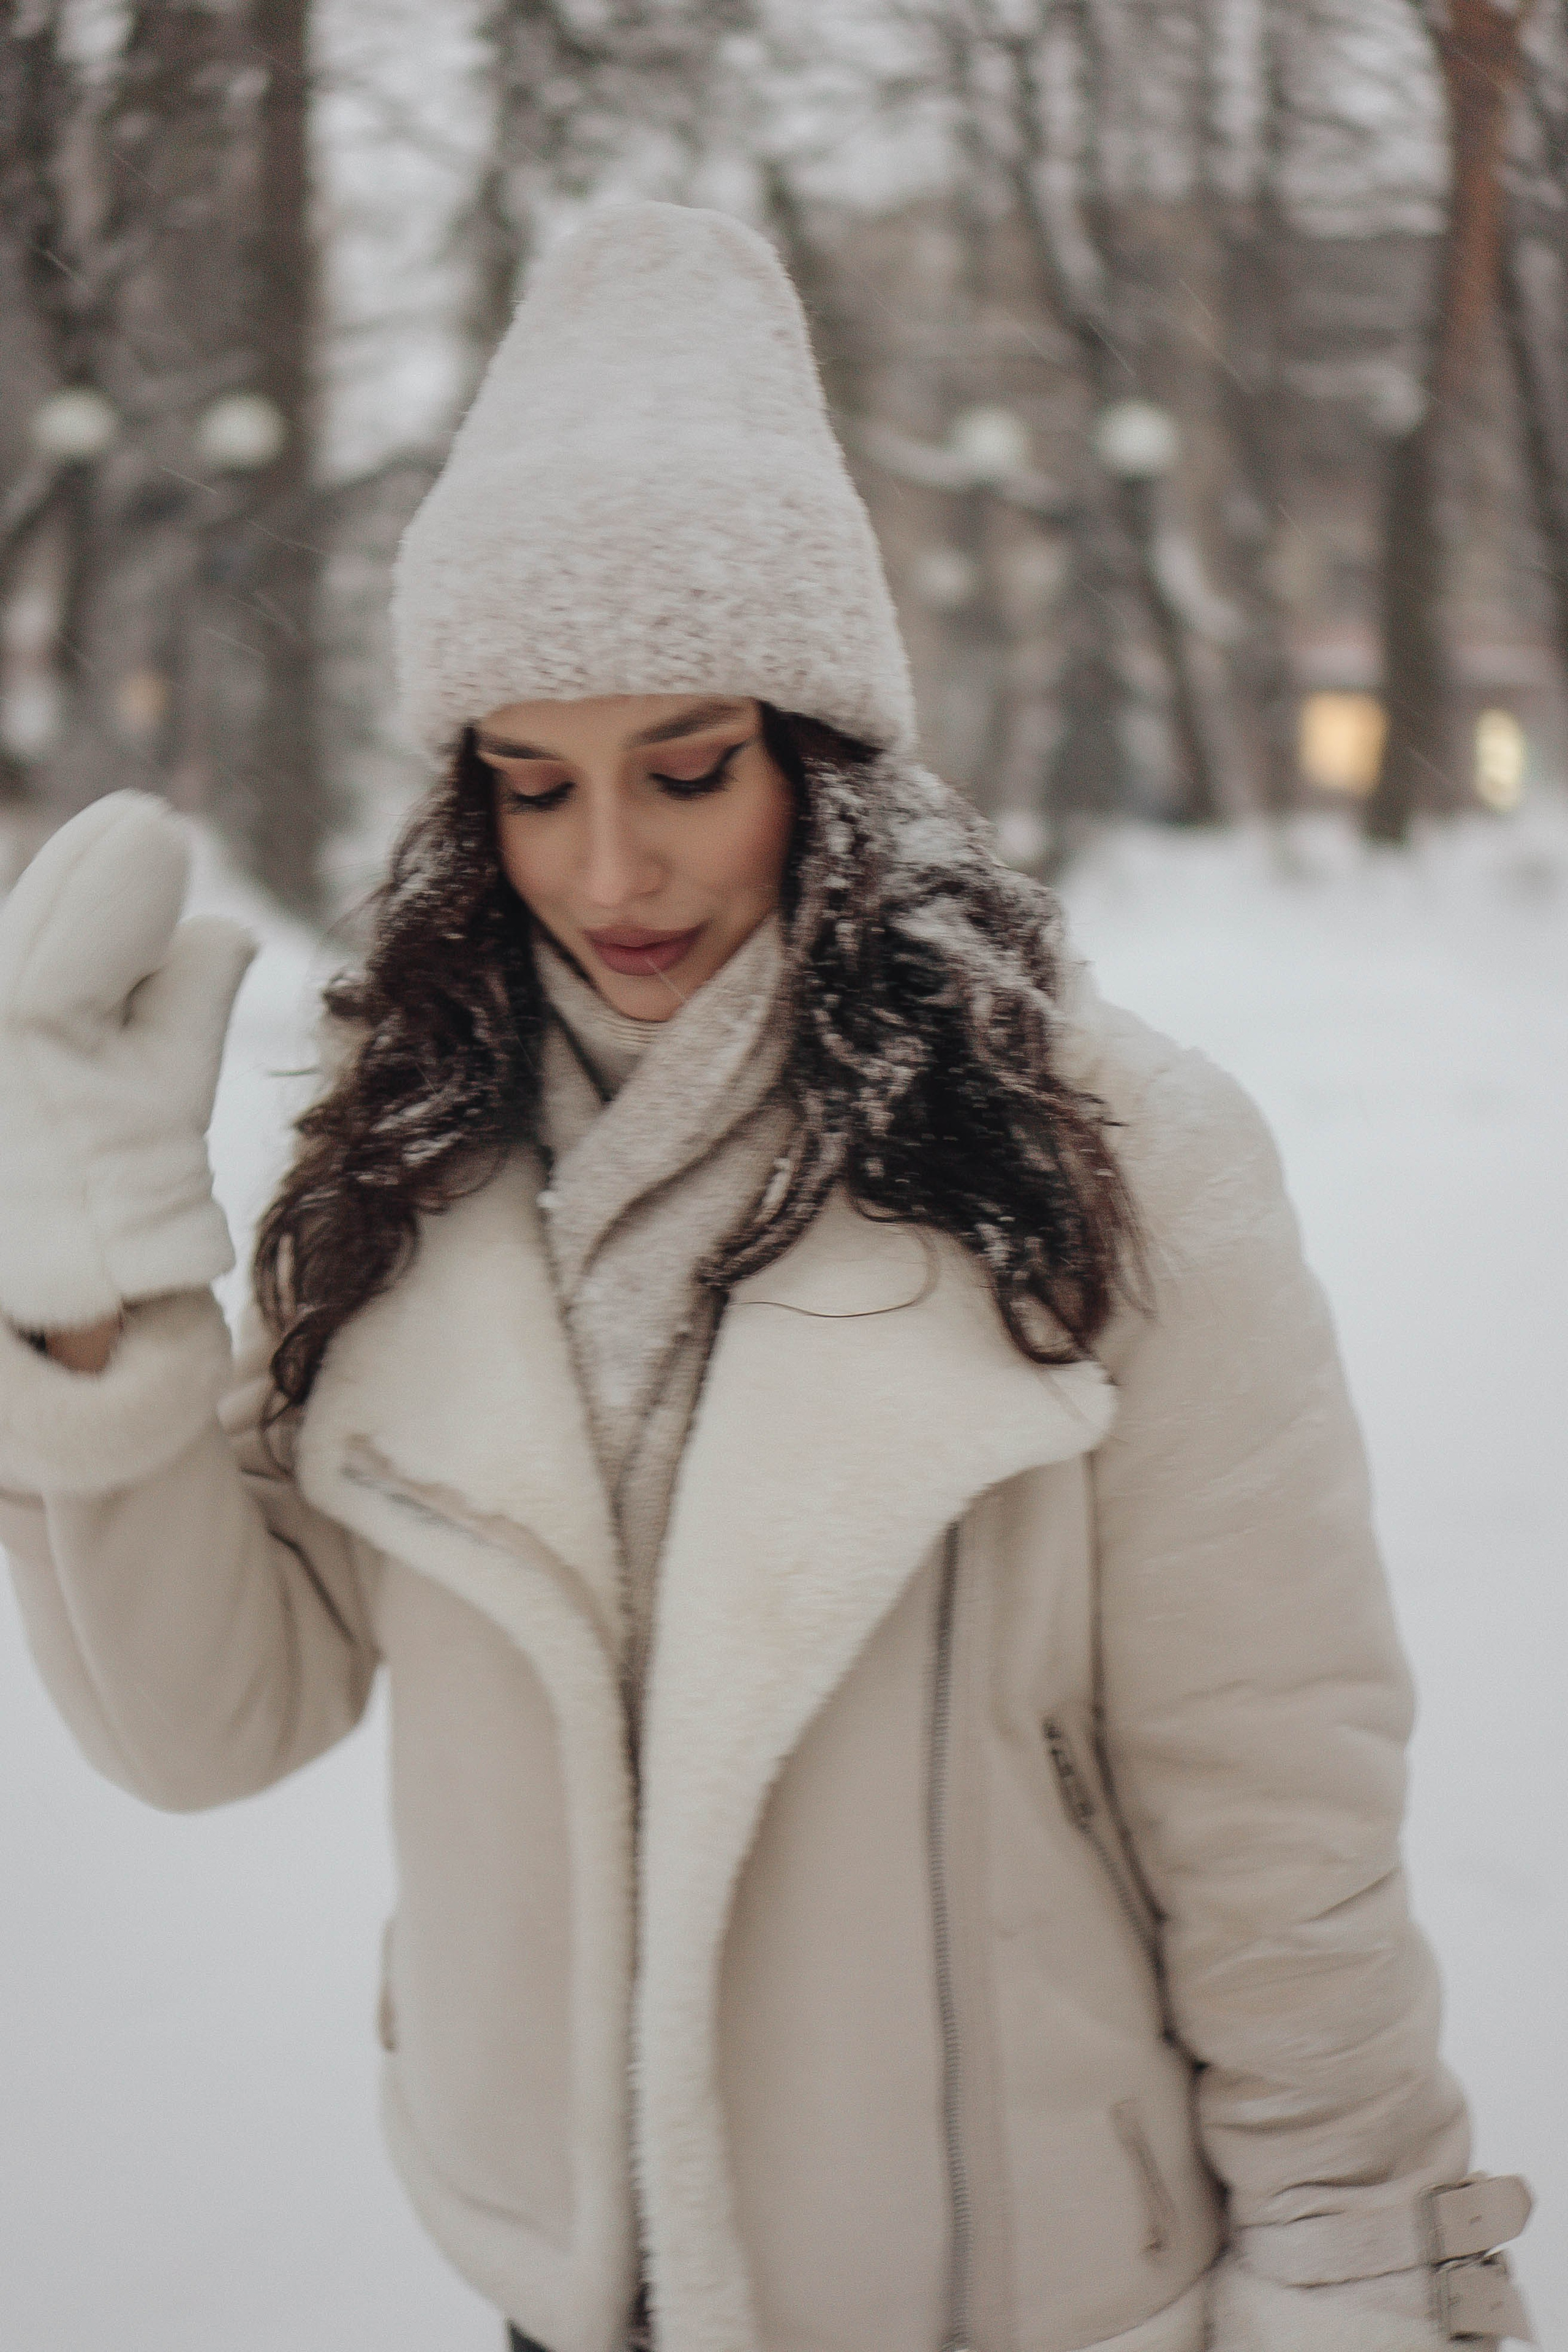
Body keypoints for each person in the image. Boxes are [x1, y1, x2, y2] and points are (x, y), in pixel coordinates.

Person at [0, 203, 1535, 2352]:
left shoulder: (1110, 1153)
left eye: (688, 769)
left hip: (1022, 2301)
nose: (608, 867)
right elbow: (209, 1719)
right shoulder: (413, 1156)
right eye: (531, 786)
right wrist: (89, 1315)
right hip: (567, 2286)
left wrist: (1365, 2260)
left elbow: (1273, 1797)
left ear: (822, 752)